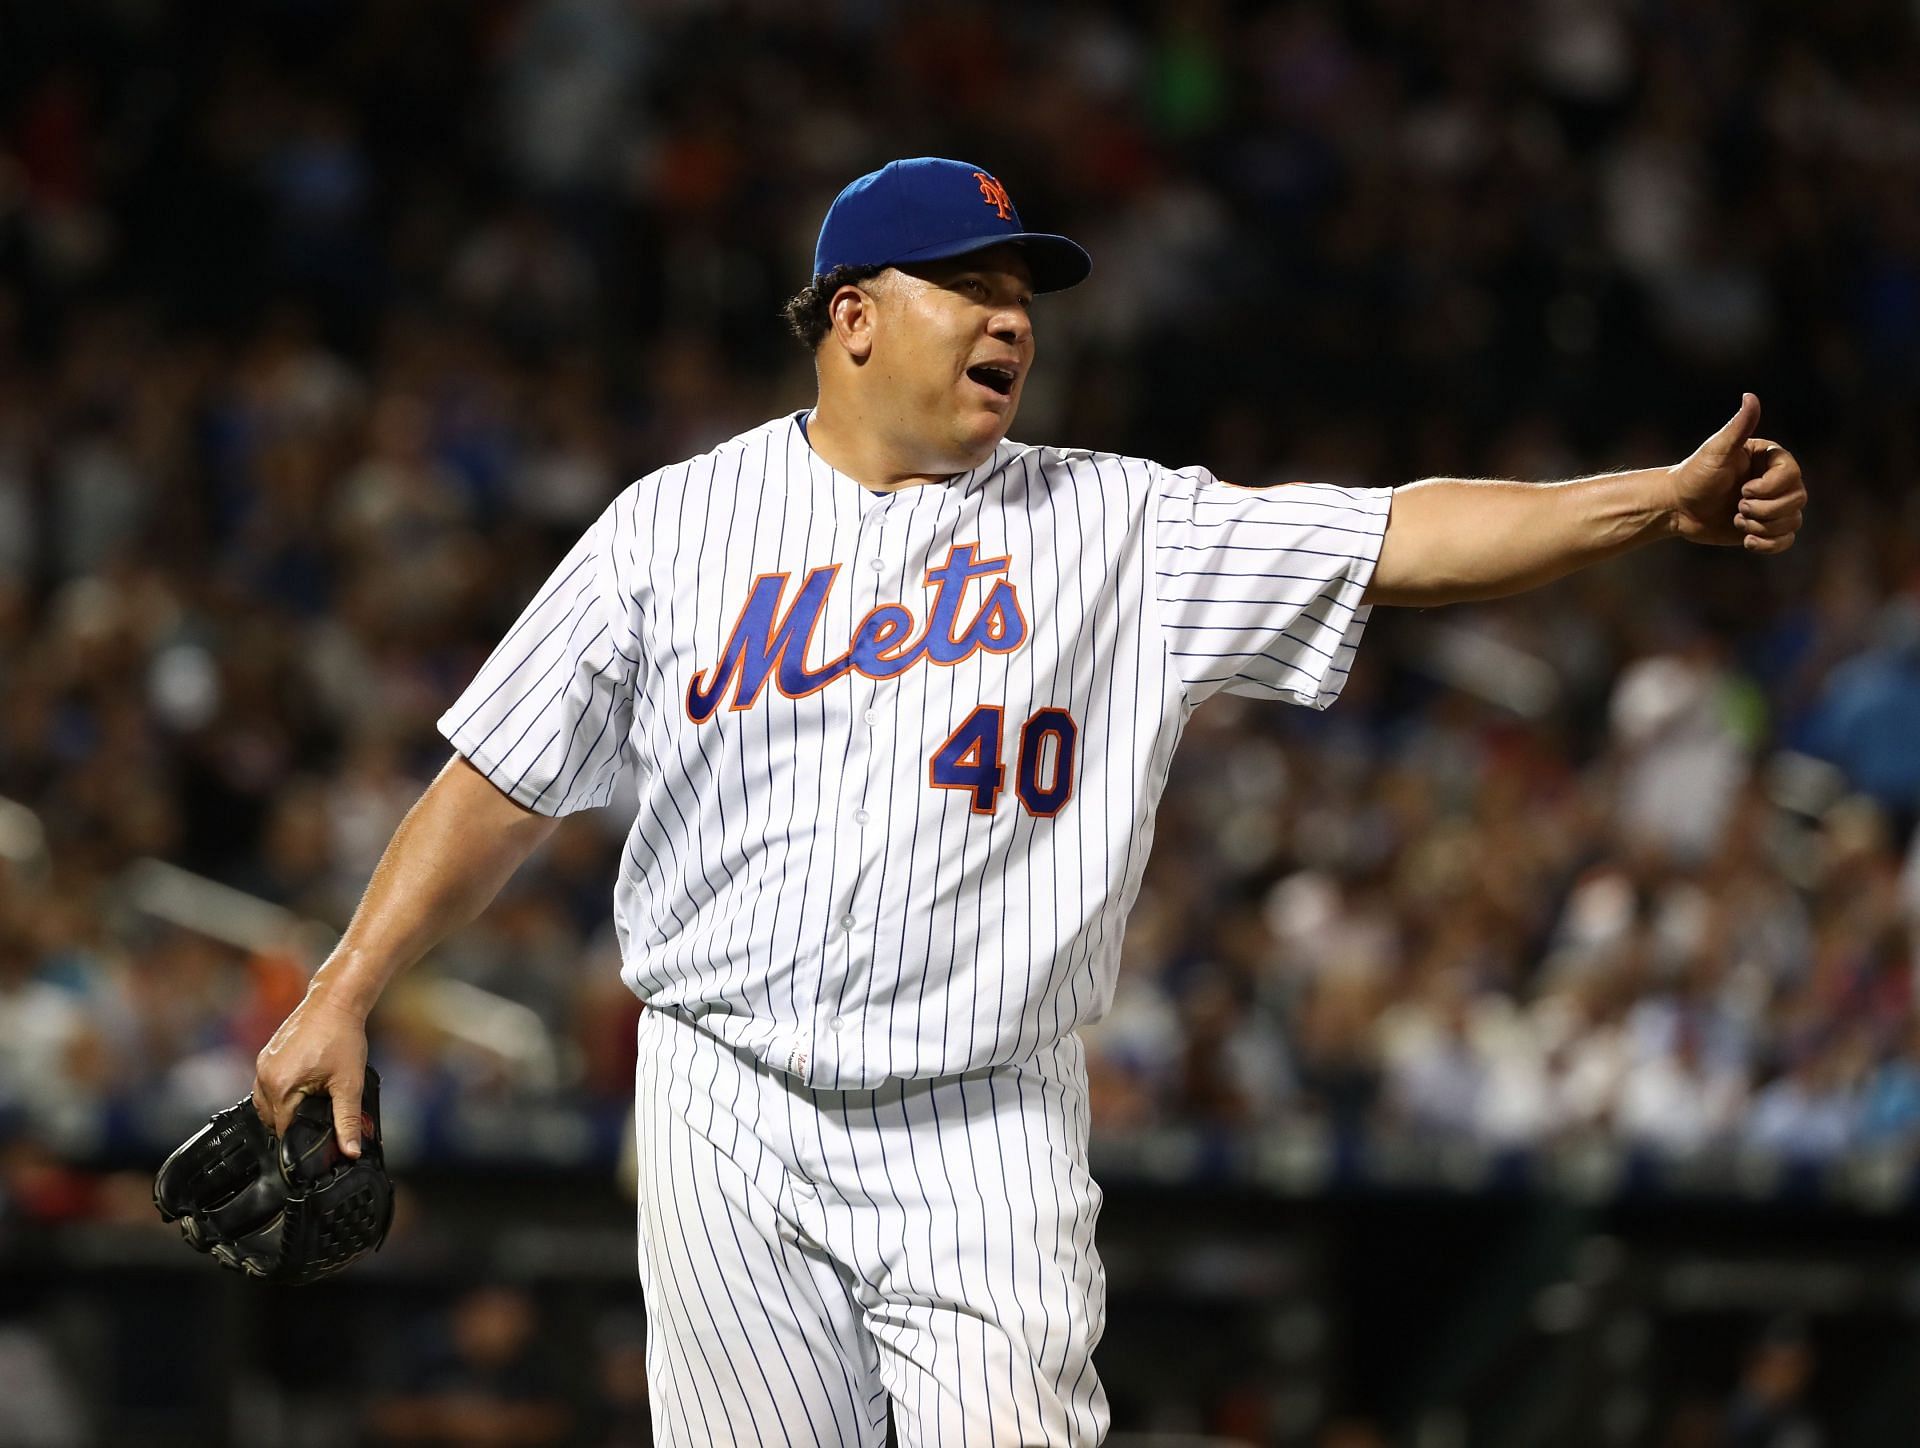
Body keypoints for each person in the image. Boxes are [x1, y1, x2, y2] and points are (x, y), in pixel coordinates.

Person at [250, 157, 1807, 1446]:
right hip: (720, 1103)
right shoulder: (670, 531)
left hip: (977, 1121)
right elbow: (501, 779)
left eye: (1024, 298)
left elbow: (1397, 537)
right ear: (852, 317)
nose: (1013, 322)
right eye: (973, 287)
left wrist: (1650, 504)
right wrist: (344, 989)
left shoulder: (1117, 526)